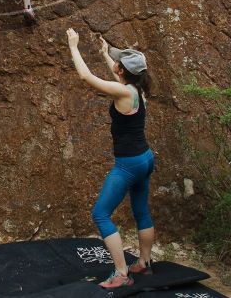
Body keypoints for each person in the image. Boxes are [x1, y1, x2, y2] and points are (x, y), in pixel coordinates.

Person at [66, 28, 155, 289]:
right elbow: (118, 78)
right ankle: (145, 263)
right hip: (145, 159)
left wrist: (74, 46)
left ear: (122, 71)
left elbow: (85, 76)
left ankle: (120, 273)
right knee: (141, 210)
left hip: (128, 165)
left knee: (101, 214)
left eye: (117, 63)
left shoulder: (124, 92)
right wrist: (106, 53)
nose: (115, 65)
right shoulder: (138, 90)